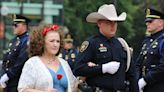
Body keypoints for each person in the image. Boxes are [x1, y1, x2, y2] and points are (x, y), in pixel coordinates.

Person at [74, 4, 139, 92]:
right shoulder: (92, 43)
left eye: (115, 22)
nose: (113, 26)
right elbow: (78, 68)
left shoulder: (121, 44)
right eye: (108, 22)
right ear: (99, 23)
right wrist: (102, 68)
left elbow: (132, 74)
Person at [18, 24, 75, 92]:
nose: (55, 44)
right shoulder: (32, 63)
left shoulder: (64, 63)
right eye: (52, 41)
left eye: (58, 41)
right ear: (42, 42)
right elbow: (22, 89)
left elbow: (73, 87)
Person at [136, 8, 164, 92]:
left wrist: (145, 80)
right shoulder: (147, 41)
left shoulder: (162, 40)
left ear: (161, 22)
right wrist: (137, 80)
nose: (147, 23)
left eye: (150, 21)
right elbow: (139, 63)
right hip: (145, 87)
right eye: (146, 21)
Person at [0, 14, 30, 92]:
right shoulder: (13, 40)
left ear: (24, 26)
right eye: (13, 25)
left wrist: (7, 75)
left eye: (16, 25)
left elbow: (21, 61)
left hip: (18, 81)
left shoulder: (27, 41)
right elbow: (6, 59)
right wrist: (3, 74)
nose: (13, 27)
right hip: (8, 82)